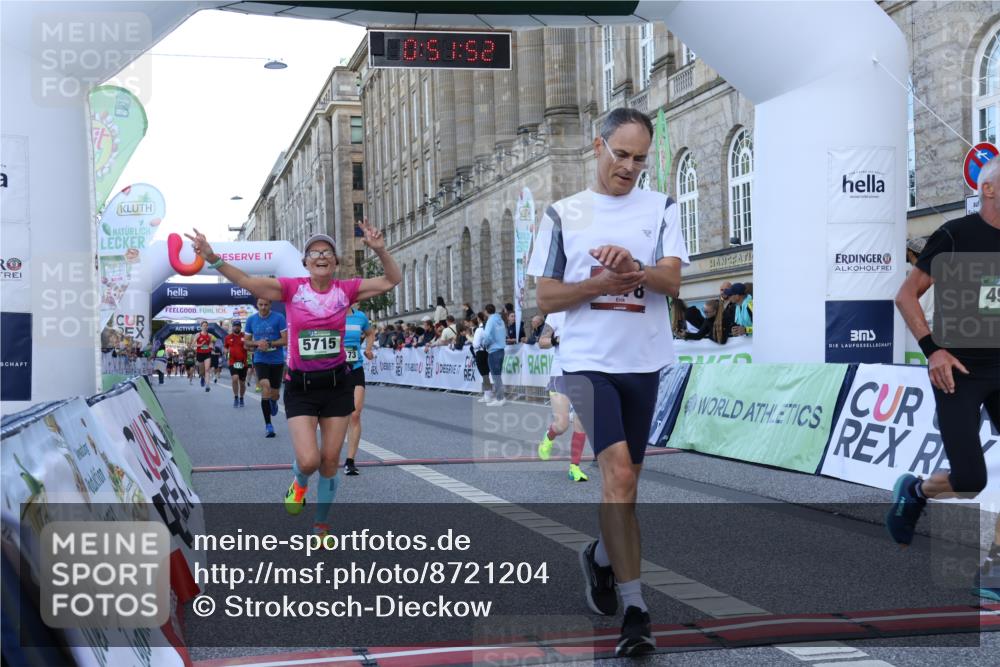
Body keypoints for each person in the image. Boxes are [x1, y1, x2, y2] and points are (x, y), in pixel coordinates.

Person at [528, 107, 688, 656]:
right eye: (621, 154)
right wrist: (600, 283)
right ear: (598, 147)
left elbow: (672, 279)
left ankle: (599, 557)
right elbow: (546, 297)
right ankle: (637, 610)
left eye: (640, 158)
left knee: (629, 485)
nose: (630, 167)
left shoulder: (660, 207)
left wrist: (635, 272)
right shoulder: (562, 214)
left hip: (643, 363)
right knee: (616, 477)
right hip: (588, 363)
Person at [186, 222, 399, 540]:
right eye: (314, 252)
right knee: (310, 460)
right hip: (301, 386)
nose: (321, 256)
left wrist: (380, 249)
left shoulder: (347, 290)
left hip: (336, 384)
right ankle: (299, 483)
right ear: (306, 262)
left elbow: (392, 279)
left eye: (327, 251)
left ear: (335, 261)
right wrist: (212, 257)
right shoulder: (292, 289)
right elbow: (247, 281)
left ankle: (321, 525)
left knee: (330, 462)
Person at [888, 158, 1000, 602]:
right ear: (989, 190)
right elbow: (906, 295)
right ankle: (915, 491)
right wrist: (933, 350)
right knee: (970, 478)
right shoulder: (956, 233)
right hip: (958, 368)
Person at [537, 311, 589, 482]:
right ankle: (550, 435)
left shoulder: (589, 310)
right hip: (561, 373)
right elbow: (541, 342)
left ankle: (574, 467)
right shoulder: (556, 314)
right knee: (562, 424)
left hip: (584, 373)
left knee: (582, 423)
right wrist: (556, 340)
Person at [244, 297, 288, 438]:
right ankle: (269, 425)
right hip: (260, 359)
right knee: (265, 386)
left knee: (274, 393)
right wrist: (257, 343)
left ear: (270, 304)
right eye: (260, 305)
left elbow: (285, 340)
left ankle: (273, 401)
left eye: (266, 305)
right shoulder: (251, 320)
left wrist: (269, 344)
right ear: (257, 305)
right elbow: (246, 342)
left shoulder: (279, 317)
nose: (263, 307)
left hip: (276, 361)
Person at [343, 302, 375, 476]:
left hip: (355, 368)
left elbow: (370, 333)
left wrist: (368, 349)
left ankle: (350, 461)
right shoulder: (330, 314)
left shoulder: (360, 316)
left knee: (355, 414)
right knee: (337, 417)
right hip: (334, 370)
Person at [483, 303, 507, 407]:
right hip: (501, 349)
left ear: (486, 311)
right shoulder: (500, 320)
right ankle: (500, 397)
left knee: (495, 376)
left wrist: (484, 344)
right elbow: (504, 333)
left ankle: (500, 398)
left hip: (493, 350)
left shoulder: (490, 320)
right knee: (498, 375)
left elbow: (487, 335)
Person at [224, 320, 249, 408]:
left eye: (238, 326)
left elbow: (249, 346)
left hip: (243, 362)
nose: (236, 327)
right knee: (235, 378)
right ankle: (236, 397)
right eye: (235, 326)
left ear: (240, 327)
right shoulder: (228, 337)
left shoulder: (245, 336)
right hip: (232, 362)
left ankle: (241, 398)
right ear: (232, 327)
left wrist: (248, 347)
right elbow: (225, 347)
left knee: (242, 383)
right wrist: (226, 351)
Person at [472, 312, 493, 403]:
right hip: (488, 351)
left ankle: (488, 394)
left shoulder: (479, 330)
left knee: (484, 374)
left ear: (479, 319)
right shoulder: (488, 329)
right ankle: (487, 393)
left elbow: (475, 344)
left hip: (480, 352)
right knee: (486, 373)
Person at [194, 321, 214, 392]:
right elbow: (193, 345)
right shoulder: (198, 335)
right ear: (201, 327)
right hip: (200, 354)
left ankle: (207, 385)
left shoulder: (210, 335)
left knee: (207, 369)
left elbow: (211, 344)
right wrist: (200, 345)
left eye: (206, 325)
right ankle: (202, 377)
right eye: (203, 325)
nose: (205, 327)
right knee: (202, 371)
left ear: (207, 327)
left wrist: (211, 347)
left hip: (207, 353)